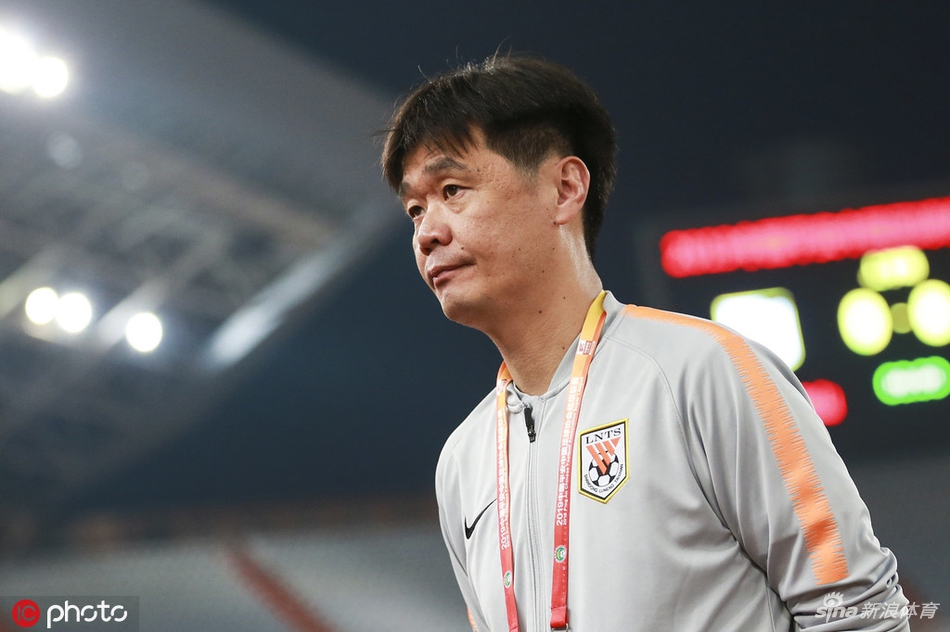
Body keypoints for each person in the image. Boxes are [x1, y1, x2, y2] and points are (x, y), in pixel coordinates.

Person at [382, 54, 909, 631]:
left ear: (564, 189)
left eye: (453, 189)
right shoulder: (463, 462)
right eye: (415, 209)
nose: (427, 233)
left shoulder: (703, 373)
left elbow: (860, 609)